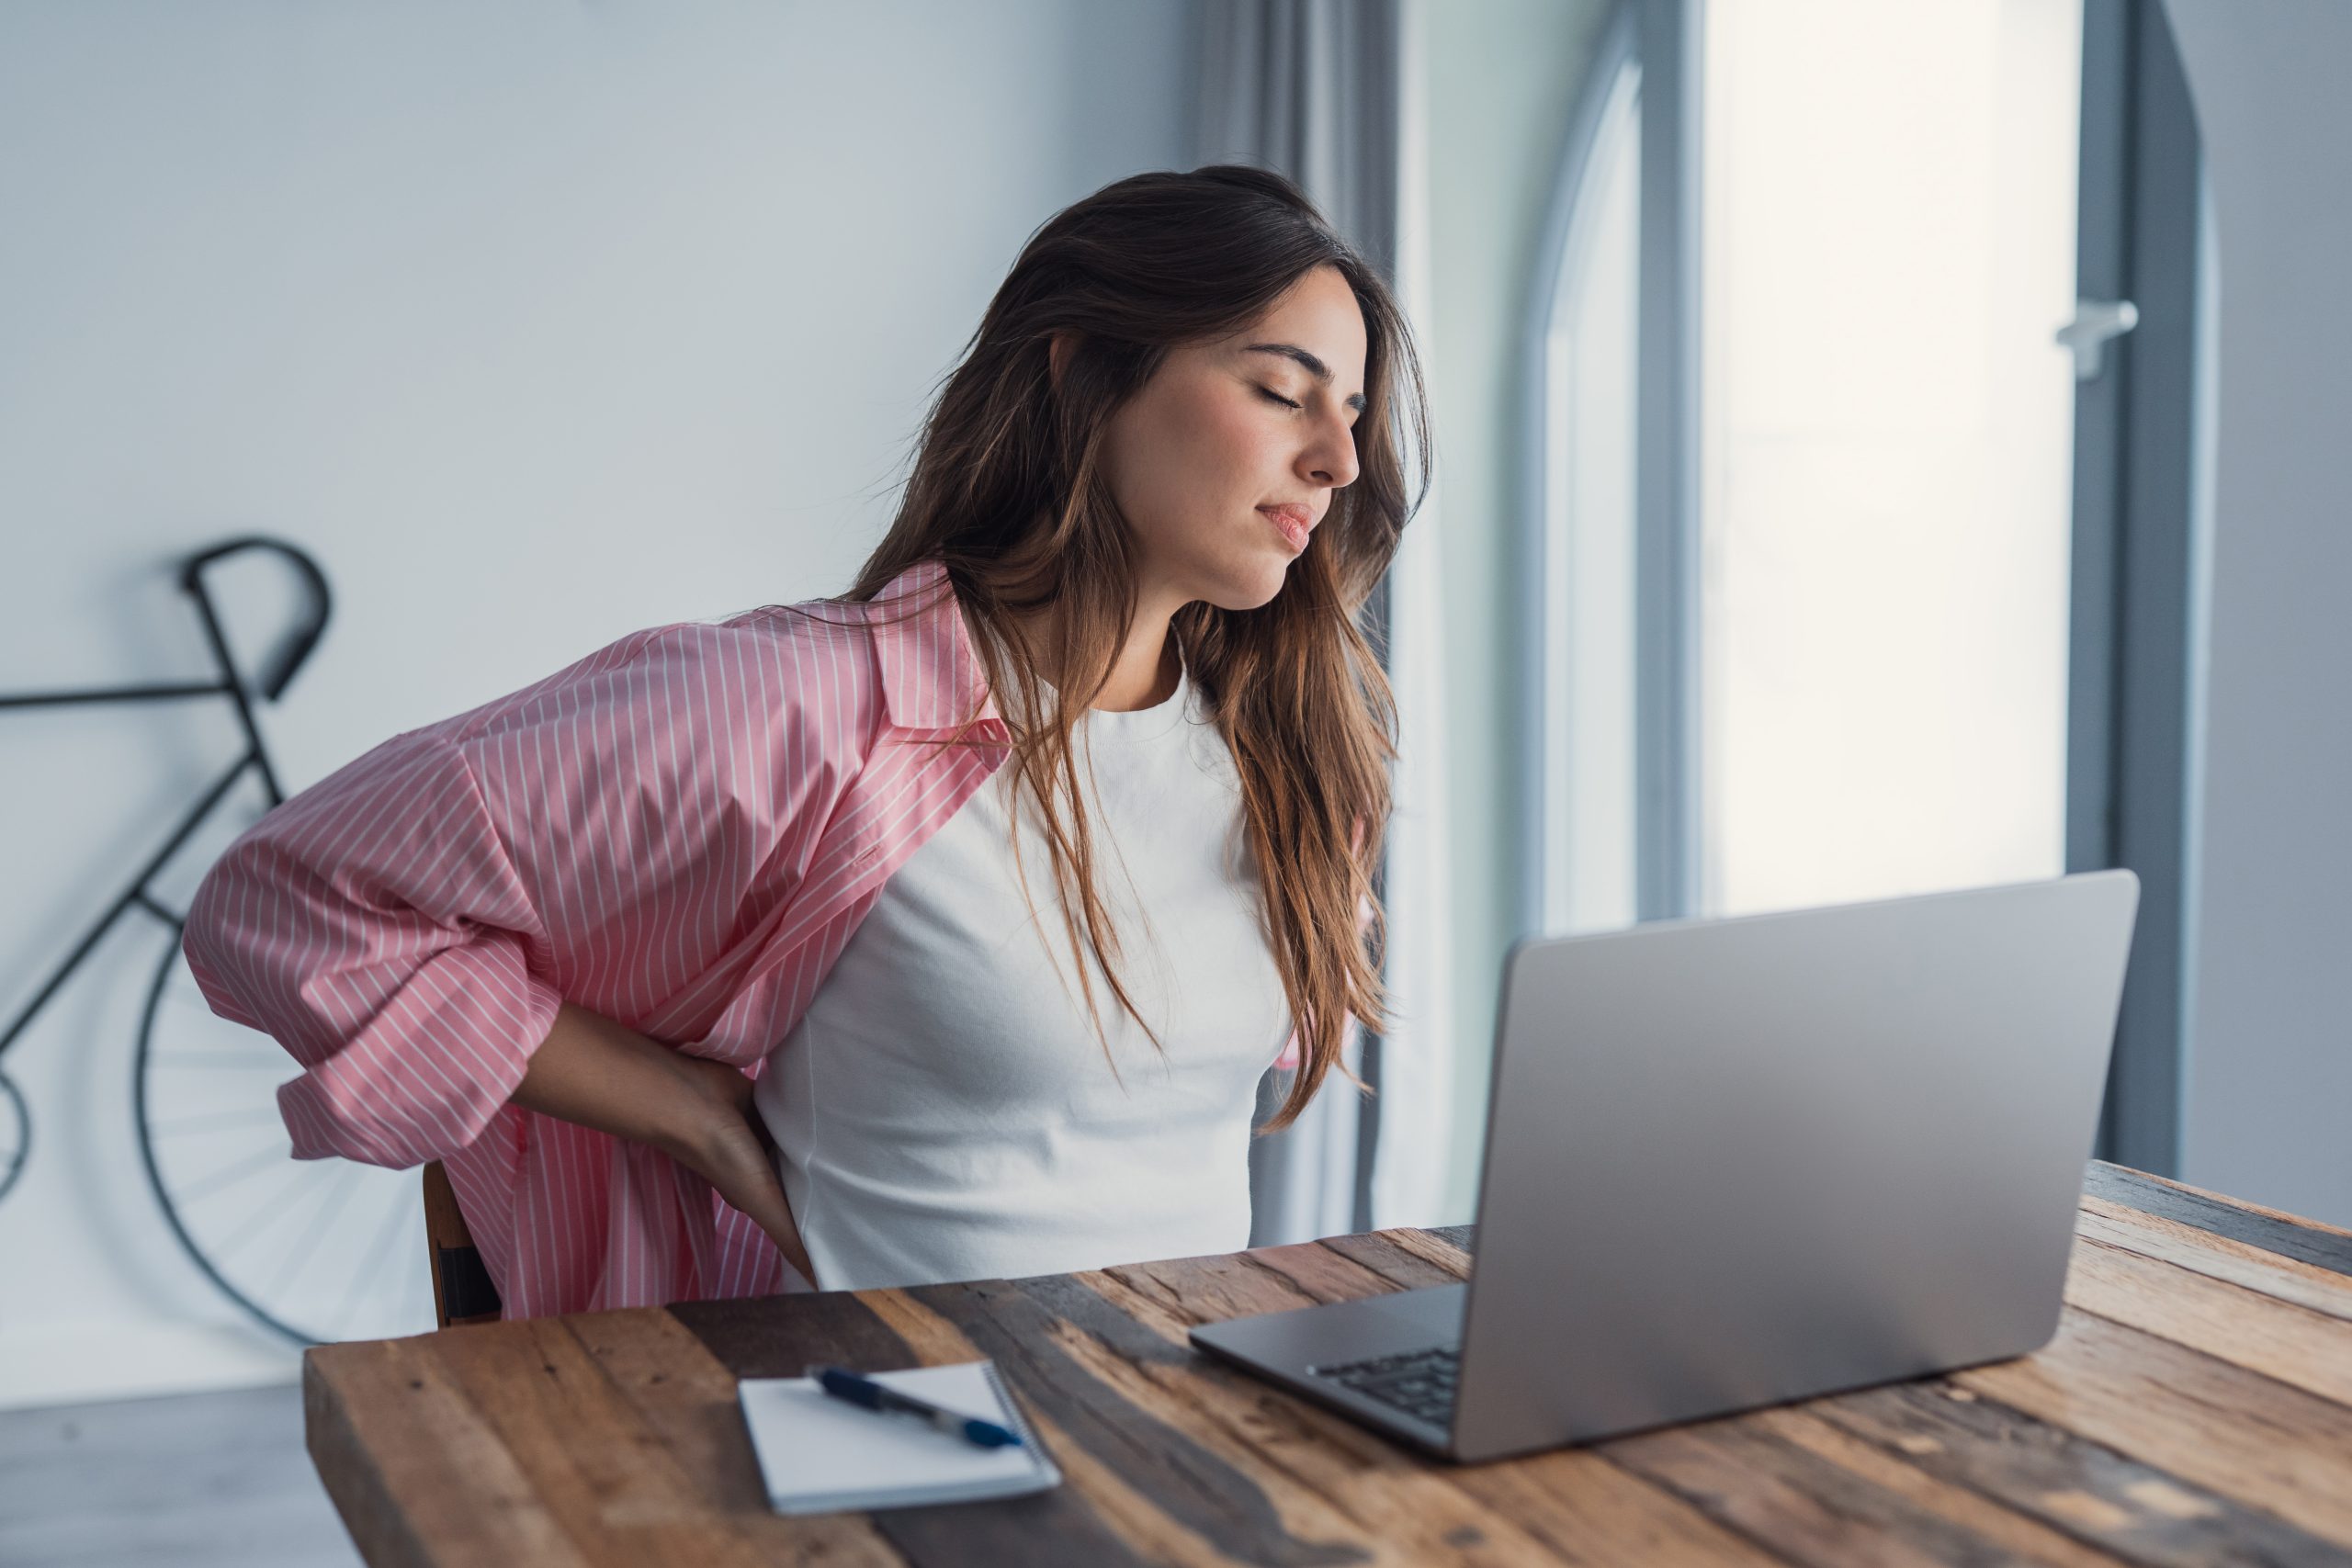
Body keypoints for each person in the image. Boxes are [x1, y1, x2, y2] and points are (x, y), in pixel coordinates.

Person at [181, 164, 1431, 1319]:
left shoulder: (1292, 751)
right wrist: (687, 1115)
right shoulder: (806, 710)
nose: (1336, 458)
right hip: (904, 1433)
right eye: (1282, 391)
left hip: (1184, 1421)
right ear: (1082, 376)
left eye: (1356, 411)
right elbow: (286, 897)